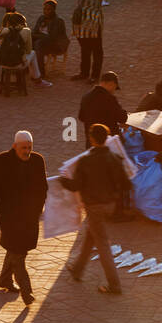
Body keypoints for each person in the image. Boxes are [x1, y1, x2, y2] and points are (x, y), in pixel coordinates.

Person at [60, 123, 127, 296]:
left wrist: (62, 181)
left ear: (91, 138)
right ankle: (77, 269)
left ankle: (114, 284)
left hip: (94, 206)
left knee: (102, 244)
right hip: (110, 205)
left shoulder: (86, 161)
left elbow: (75, 186)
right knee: (91, 235)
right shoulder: (115, 158)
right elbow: (125, 182)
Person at [0, 130, 48, 304]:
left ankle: (4, 280)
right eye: (23, 148)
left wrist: (39, 208)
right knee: (18, 252)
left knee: (17, 249)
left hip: (30, 216)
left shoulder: (37, 160)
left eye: (29, 147)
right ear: (14, 146)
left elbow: (43, 187)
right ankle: (26, 292)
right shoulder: (0, 162)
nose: (27, 151)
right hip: (9, 217)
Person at [65, 0, 108, 82]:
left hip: (94, 22)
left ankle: (95, 76)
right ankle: (84, 73)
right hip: (81, 22)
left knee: (96, 50)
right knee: (85, 48)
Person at [0, 10, 52, 87]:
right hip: (18, 64)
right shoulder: (26, 31)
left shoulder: (4, 30)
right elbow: (28, 50)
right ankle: (37, 79)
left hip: (2, 63)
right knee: (33, 53)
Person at [78, 72, 127, 137]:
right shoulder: (109, 99)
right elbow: (122, 118)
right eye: (114, 88)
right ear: (111, 84)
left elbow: (81, 117)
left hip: (92, 139)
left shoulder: (86, 97)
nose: (114, 91)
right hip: (107, 139)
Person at [31, 0, 69, 72]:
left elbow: (52, 37)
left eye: (48, 9)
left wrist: (37, 36)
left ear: (53, 10)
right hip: (43, 42)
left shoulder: (58, 21)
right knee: (28, 40)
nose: (45, 11)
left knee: (38, 43)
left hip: (57, 45)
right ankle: (26, 67)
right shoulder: (41, 18)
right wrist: (36, 36)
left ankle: (41, 71)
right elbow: (34, 31)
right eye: (44, 9)